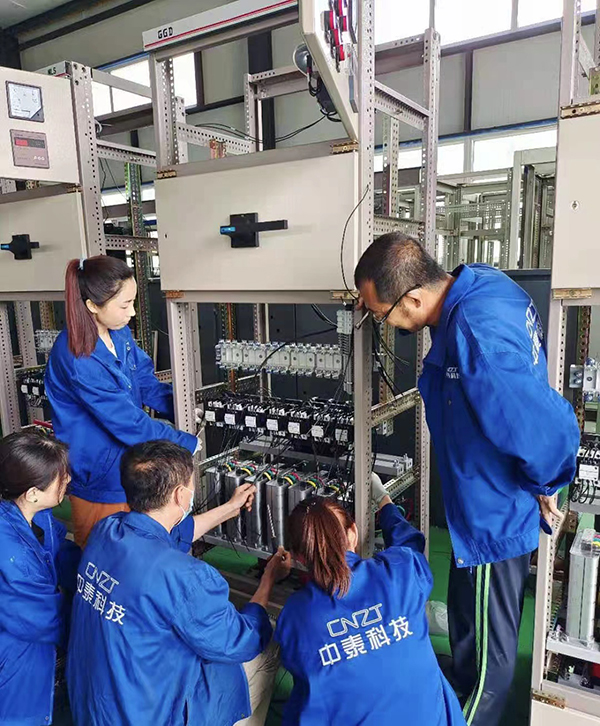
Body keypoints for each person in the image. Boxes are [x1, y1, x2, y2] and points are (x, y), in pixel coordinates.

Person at [354, 232, 580, 726]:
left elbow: (543, 428)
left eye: (382, 314)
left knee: (486, 667)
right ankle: (456, 688)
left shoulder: (475, 334)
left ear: (414, 299)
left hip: (491, 516)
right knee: (468, 624)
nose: (382, 324)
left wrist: (546, 483)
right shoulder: (478, 285)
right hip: (478, 506)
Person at [67, 440, 291, 726]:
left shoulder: (107, 530)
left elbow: (165, 534)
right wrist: (268, 579)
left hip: (97, 706)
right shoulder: (186, 577)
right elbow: (242, 641)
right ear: (180, 495)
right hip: (150, 716)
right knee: (267, 639)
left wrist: (229, 508)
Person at [275, 477, 466, 726]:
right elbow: (410, 543)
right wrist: (383, 499)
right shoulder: (401, 572)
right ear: (353, 534)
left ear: (299, 557)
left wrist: (268, 580)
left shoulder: (294, 616)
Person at [45, 256, 200, 547]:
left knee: (141, 549)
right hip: (100, 476)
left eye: (133, 302)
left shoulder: (119, 332)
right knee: (105, 553)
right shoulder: (78, 358)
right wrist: (185, 442)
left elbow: (143, 380)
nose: (132, 312)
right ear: (92, 305)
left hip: (131, 465)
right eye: (125, 305)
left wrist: (181, 407)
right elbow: (126, 421)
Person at [0, 430, 80, 726]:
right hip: (16, 658)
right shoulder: (13, 556)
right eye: (60, 476)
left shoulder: (36, 515)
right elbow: (47, 620)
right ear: (33, 492)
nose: (68, 479)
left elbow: (60, 553)